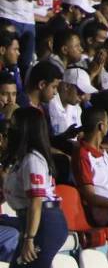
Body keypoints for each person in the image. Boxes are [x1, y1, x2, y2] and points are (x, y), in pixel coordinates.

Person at [2, 108, 69, 268]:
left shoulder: (33, 160)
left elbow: (36, 202)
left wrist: (29, 238)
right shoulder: (22, 159)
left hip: (44, 223)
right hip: (32, 221)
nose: (9, 129)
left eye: (14, 125)